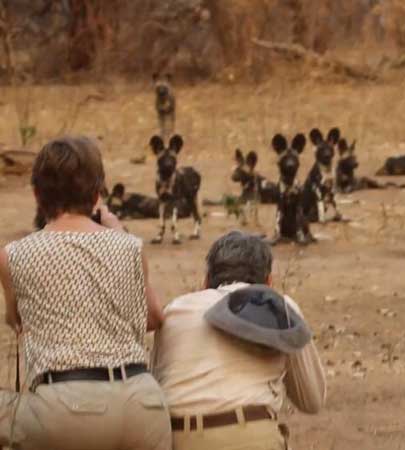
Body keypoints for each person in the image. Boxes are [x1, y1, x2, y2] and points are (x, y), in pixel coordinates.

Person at [0, 136, 170, 449]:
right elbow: (153, 318)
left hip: (65, 410)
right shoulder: (130, 246)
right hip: (144, 405)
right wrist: (117, 230)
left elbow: (17, 321)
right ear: (97, 194)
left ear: (37, 194)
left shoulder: (14, 255)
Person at [152, 230, 326, 450]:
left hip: (181, 437)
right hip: (252, 435)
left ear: (205, 282)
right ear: (269, 282)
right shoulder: (279, 308)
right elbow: (312, 401)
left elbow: (157, 389)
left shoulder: (175, 311)